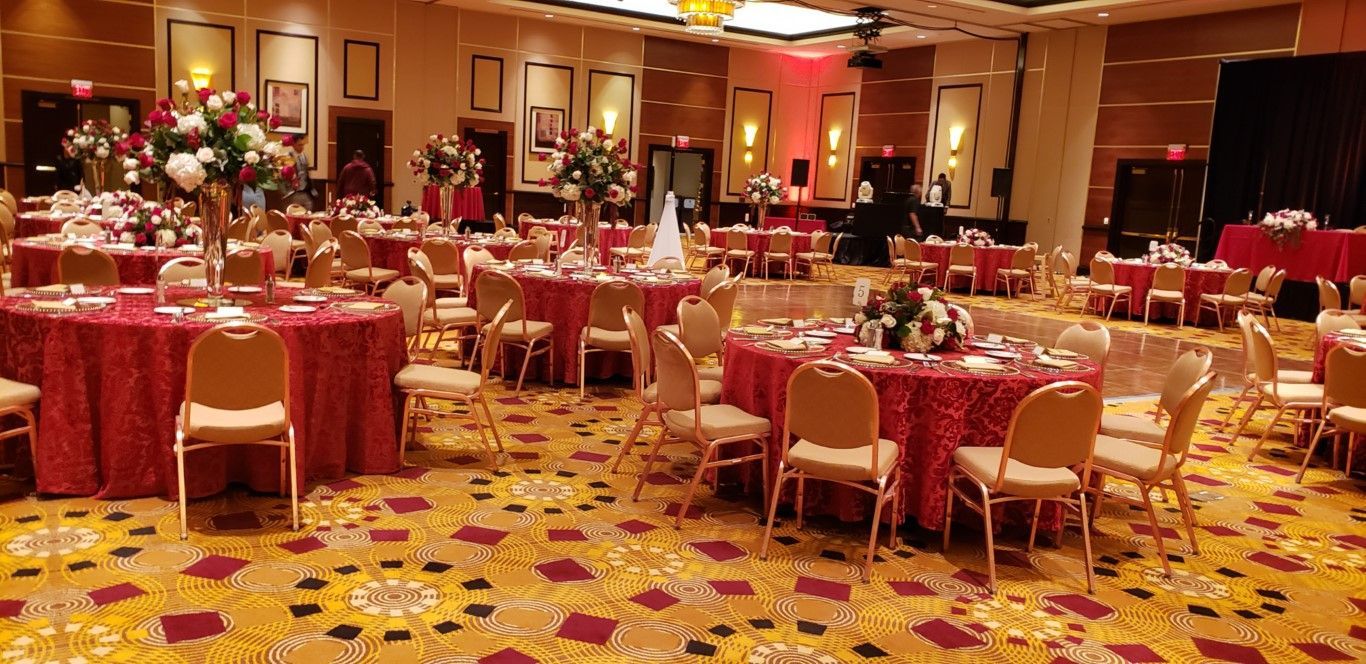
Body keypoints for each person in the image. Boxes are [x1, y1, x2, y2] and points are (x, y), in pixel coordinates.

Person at [284, 134, 315, 210]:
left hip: (304, 191)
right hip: (292, 193)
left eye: (303, 145)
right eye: (299, 145)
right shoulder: (287, 157)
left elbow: (306, 173)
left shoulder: (304, 156)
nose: (302, 147)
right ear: (293, 145)